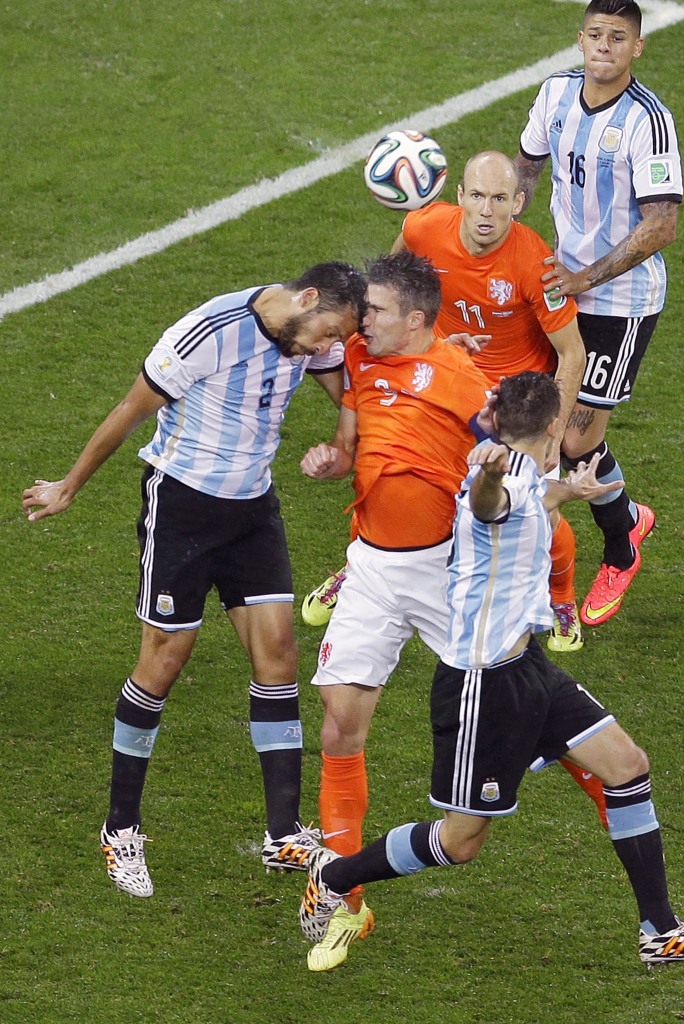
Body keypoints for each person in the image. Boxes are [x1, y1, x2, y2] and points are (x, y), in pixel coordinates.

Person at [299, 372, 684, 970]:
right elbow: (492, 507)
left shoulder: (528, 472)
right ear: (557, 424)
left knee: (628, 766)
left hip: (527, 667)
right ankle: (336, 876)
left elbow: (538, 496)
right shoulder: (495, 483)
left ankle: (660, 932)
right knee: (461, 842)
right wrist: (485, 476)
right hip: (482, 685)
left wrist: (571, 491)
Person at [22, 261, 366, 898]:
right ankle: (120, 829)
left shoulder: (310, 333)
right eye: (326, 332)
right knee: (164, 659)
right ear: (306, 298)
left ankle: (283, 833)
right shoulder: (209, 331)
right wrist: (70, 485)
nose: (326, 347)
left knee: (279, 655)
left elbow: (354, 388)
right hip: (182, 507)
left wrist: (351, 437)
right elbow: (132, 407)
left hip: (253, 511)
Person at [304, 151, 588, 654]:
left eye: (499, 198)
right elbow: (392, 285)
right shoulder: (424, 227)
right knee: (387, 466)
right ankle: (360, 567)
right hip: (438, 374)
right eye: (476, 195)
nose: (485, 210)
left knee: (534, 507)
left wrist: (550, 435)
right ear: (458, 196)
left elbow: (572, 353)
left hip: (510, 404)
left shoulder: (534, 262)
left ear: (518, 203)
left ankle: (561, 596)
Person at [299, 250, 491, 970]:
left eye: (374, 309)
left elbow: (516, 457)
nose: (360, 319)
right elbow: (351, 444)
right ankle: (346, 904)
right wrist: (331, 459)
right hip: (372, 569)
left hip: (445, 574)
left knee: (525, 707)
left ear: (415, 319)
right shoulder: (359, 356)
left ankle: (612, 778)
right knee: (340, 726)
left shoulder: (461, 379)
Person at [514, 0, 680, 626]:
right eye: (595, 35)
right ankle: (627, 521)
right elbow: (529, 160)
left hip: (621, 298)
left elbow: (662, 223)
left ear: (637, 48)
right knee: (538, 415)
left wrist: (587, 275)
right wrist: (507, 210)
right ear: (580, 38)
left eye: (618, 38)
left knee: (578, 437)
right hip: (560, 283)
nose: (604, 46)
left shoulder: (648, 121)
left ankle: (622, 542)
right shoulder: (555, 94)